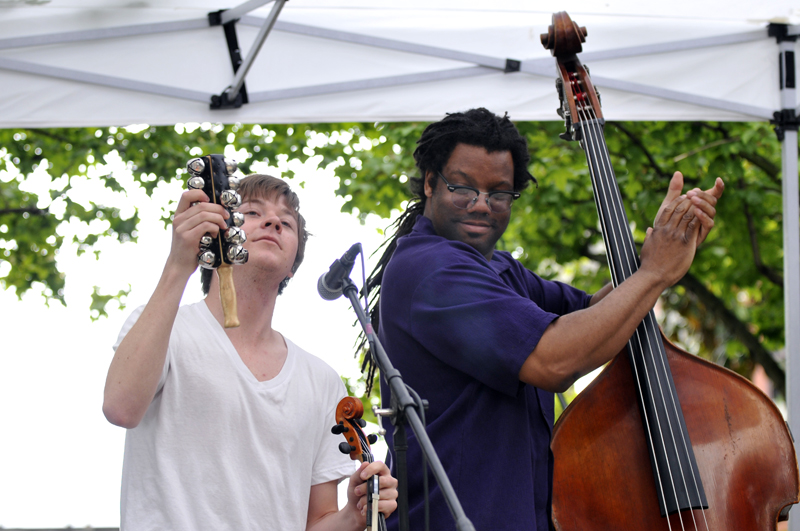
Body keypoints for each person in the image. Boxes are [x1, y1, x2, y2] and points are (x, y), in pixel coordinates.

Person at [365, 108, 724, 531]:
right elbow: (555, 359)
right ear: (430, 183)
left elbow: (594, 314)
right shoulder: (431, 268)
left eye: (499, 193)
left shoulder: (499, 270)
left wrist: (667, 246)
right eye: (463, 187)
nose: (481, 205)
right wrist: (653, 274)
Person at [103, 173, 398, 531]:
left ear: (292, 266)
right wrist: (179, 264)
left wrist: (352, 515)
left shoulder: (321, 381)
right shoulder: (165, 327)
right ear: (217, 239)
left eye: (286, 222)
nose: (274, 221)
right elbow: (120, 408)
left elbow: (317, 521)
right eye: (253, 213)